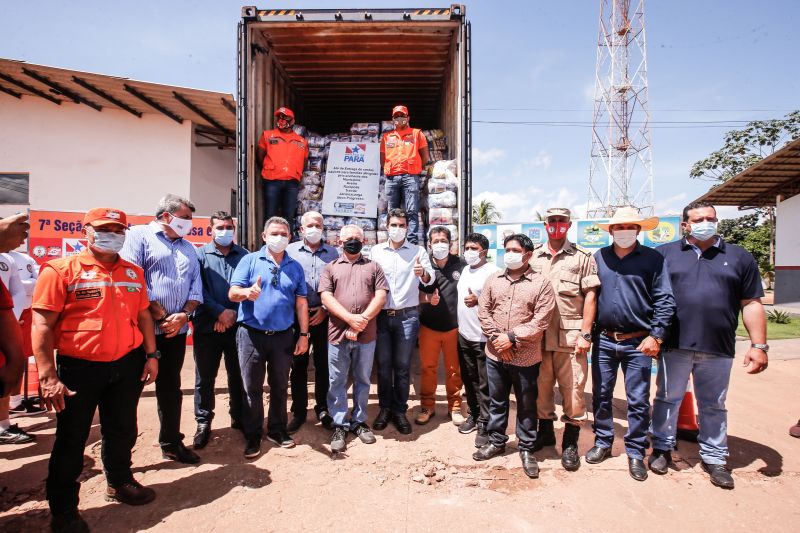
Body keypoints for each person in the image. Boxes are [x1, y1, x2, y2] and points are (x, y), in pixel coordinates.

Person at [31, 207, 159, 532]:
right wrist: (47, 376)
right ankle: (64, 510)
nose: (112, 234)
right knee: (71, 440)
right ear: (86, 231)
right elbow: (42, 325)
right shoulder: (60, 270)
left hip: (126, 365)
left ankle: (119, 482)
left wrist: (151, 354)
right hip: (79, 369)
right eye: (104, 228)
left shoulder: (133, 272)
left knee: (122, 429)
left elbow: (144, 316)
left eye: (118, 230)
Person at [651, 201, 768, 489]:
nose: (706, 223)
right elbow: (651, 298)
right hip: (673, 344)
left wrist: (759, 345)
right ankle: (663, 449)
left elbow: (751, 302)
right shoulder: (664, 254)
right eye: (699, 219)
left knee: (713, 405)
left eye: (711, 218)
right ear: (685, 225)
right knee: (668, 399)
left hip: (718, 347)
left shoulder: (739, 257)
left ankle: (715, 457)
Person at [588, 206, 676, 482]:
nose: (624, 232)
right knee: (601, 395)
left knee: (637, 400)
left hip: (639, 341)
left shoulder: (652, 259)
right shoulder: (598, 257)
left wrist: (656, 335)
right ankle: (603, 441)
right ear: (611, 231)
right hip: (604, 339)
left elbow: (665, 299)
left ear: (638, 230)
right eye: (619, 227)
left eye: (630, 227)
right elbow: (590, 297)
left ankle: (636, 451)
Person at [121, 194, 203, 464]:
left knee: (170, 388)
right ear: (166, 216)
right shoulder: (139, 236)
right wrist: (161, 314)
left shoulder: (188, 248)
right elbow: (132, 278)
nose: (190, 223)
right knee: (129, 392)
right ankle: (121, 457)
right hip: (141, 331)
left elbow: (195, 288)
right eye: (186, 218)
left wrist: (183, 315)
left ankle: (170, 441)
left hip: (174, 332)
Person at [474, 233, 556, 479]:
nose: (509, 254)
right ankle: (497, 440)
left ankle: (527, 447)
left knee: (526, 404)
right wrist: (499, 340)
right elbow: (483, 310)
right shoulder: (493, 279)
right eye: (507, 249)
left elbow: (541, 320)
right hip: (495, 354)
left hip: (526, 357)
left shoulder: (541, 283)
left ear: (527, 255)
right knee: (497, 400)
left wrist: (511, 338)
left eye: (515, 250)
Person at [229, 216, 308, 459]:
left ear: (290, 237)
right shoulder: (250, 260)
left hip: (283, 336)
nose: (279, 238)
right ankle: (253, 435)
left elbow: (301, 303)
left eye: (284, 234)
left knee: (280, 385)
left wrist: (303, 335)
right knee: (251, 387)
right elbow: (233, 293)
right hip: (251, 335)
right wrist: (246, 292)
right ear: (264, 236)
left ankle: (277, 429)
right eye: (274, 233)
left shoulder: (295, 267)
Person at [529, 207, 600, 471]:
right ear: (545, 224)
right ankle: (545, 432)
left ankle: (570, 443)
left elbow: (591, 297)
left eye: (561, 221)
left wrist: (585, 333)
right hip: (538, 338)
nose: (556, 225)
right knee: (541, 390)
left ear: (569, 225)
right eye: (552, 221)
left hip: (571, 339)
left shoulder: (582, 257)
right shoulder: (534, 256)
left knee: (574, 393)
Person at [319, 225, 388, 453]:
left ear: (364, 241)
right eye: (349, 238)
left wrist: (363, 320)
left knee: (362, 379)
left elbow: (381, 295)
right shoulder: (330, 268)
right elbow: (326, 297)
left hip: (366, 334)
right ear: (340, 241)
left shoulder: (373, 267)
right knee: (337, 380)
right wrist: (350, 319)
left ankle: (359, 421)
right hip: (337, 334)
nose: (353, 241)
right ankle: (339, 424)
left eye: (357, 238)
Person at [369, 208, 434, 434]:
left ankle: (400, 410)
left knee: (403, 367)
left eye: (402, 225)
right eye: (394, 225)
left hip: (407, 317)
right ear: (387, 227)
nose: (398, 229)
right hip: (382, 316)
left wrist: (422, 273)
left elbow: (429, 278)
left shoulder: (418, 251)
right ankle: (385, 408)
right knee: (384, 367)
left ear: (407, 228)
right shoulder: (376, 252)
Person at [192, 211, 249, 449]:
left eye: (229, 227)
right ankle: (204, 421)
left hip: (236, 327)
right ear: (211, 229)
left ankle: (239, 416)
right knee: (205, 377)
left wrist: (231, 314)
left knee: (238, 376)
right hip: (208, 326)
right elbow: (197, 289)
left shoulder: (244, 255)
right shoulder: (199, 255)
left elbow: (248, 285)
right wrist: (219, 313)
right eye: (220, 227)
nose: (225, 231)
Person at [286, 211, 338, 433]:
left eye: (318, 225)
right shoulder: (289, 252)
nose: (314, 229)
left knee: (324, 365)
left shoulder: (333, 252)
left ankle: (323, 407)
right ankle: (299, 411)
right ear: (301, 229)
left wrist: (326, 309)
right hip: (297, 318)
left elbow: (340, 285)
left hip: (324, 316)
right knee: (297, 365)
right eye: (310, 225)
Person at [415, 226, 465, 426]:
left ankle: (455, 407)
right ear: (429, 245)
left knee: (454, 370)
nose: (439, 244)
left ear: (450, 243)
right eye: (435, 241)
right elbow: (414, 295)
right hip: (429, 327)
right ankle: (427, 406)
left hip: (454, 327)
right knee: (428, 368)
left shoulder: (460, 264)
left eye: (443, 240)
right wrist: (428, 299)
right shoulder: (424, 265)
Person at [456, 233, 499, 447]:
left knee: (485, 383)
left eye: (473, 248)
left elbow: (501, 301)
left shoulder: (493, 272)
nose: (469, 251)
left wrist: (479, 300)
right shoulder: (465, 269)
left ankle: (485, 422)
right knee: (469, 379)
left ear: (484, 251)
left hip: (483, 337)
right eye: (467, 247)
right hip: (464, 334)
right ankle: (473, 414)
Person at [380, 105, 429, 244]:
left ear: (408, 118)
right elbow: (382, 159)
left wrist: (414, 166)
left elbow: (425, 157)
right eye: (396, 116)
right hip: (391, 178)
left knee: (411, 210)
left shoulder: (417, 134)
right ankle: (393, 240)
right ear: (392, 119)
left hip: (410, 177)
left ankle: (412, 241)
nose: (399, 118)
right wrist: (391, 168)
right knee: (392, 211)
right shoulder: (386, 137)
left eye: (402, 116)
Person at [0, 252, 36, 444]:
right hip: (8, 319)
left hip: (13, 318)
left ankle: (4, 423)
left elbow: (20, 290)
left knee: (10, 366)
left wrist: (10, 320)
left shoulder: (11, 259)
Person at [257, 106, 309, 232]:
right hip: (272, 181)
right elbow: (260, 156)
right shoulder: (268, 135)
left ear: (292, 121)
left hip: (292, 183)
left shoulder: (301, 141)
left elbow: (305, 161)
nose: (281, 120)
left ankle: (287, 244)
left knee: (288, 215)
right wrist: (269, 170)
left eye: (285, 118)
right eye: (279, 117)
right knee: (270, 213)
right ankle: (268, 243)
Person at [7, 249, 44, 415]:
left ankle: (15, 402)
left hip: (24, 312)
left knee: (19, 358)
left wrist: (26, 285)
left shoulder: (23, 258)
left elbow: (37, 283)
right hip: (7, 314)